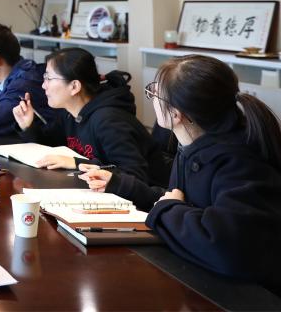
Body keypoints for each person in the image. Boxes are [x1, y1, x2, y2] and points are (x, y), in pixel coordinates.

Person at [80, 55, 281, 289]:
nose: (151, 96)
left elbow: (225, 246)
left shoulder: (240, 163)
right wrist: (120, 185)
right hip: (199, 276)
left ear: (176, 114)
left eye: (154, 93)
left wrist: (169, 208)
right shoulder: (191, 144)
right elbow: (179, 200)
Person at [12, 48, 171, 186]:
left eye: (49, 78)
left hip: (147, 202)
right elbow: (51, 149)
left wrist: (77, 163)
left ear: (74, 86)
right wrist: (28, 126)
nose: (43, 85)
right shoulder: (69, 113)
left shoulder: (109, 120)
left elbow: (135, 175)